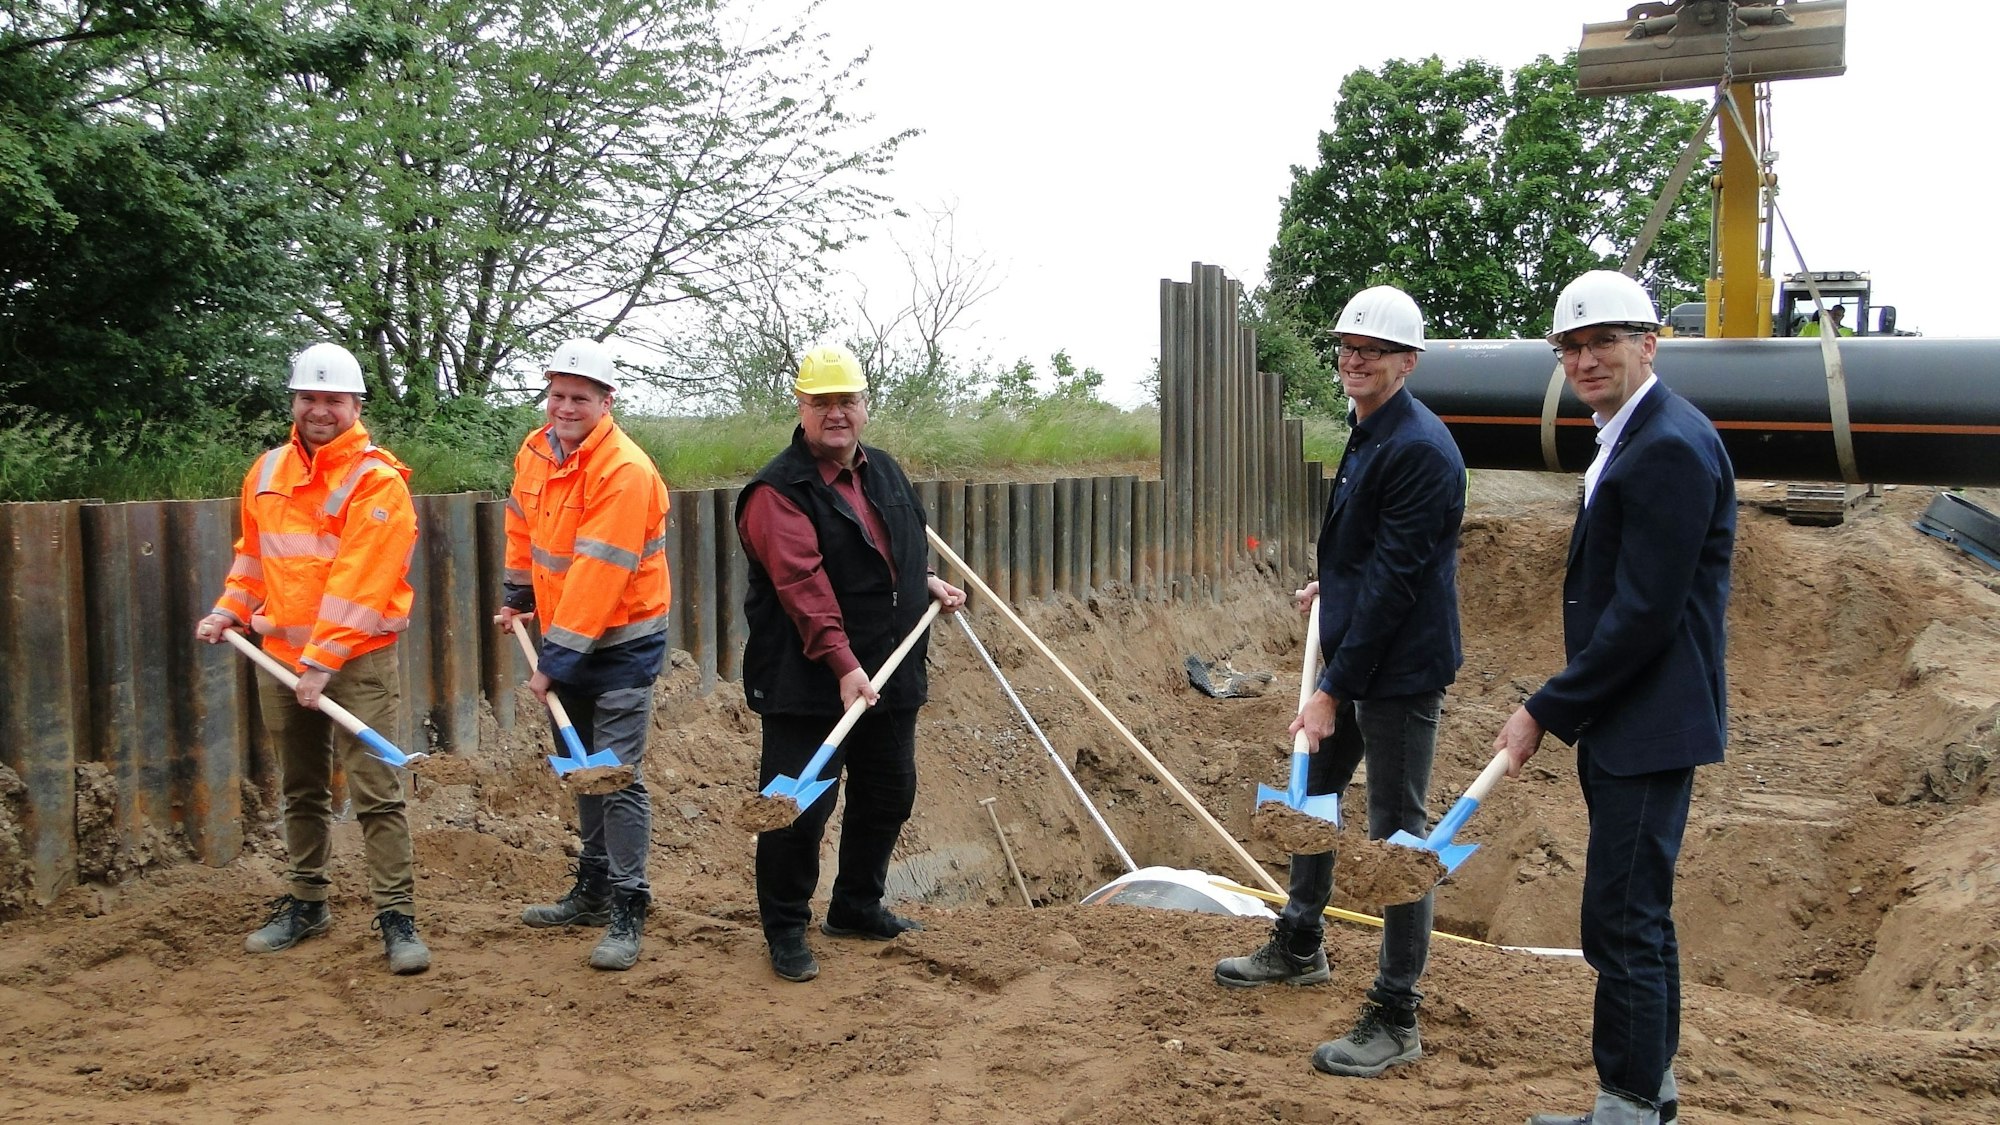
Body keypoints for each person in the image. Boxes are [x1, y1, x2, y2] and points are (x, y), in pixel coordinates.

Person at [1499, 270, 1735, 1125]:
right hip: (1632, 719)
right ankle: (1650, 1093)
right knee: (1640, 915)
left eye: (1604, 342)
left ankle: (1628, 1106)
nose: (1587, 359)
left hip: (1648, 718)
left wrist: (1543, 708)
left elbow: (1644, 616)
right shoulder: (1628, 434)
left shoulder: (1667, 443)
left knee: (1621, 920)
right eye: (1572, 347)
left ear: (1649, 343)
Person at [1212, 285, 1466, 1079]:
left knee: (1398, 833)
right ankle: (1300, 940)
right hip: (1359, 640)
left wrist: (1330, 689)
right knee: (1313, 790)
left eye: (1374, 350)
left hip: (1398, 666)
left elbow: (1397, 582)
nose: (1355, 359)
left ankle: (1396, 1011)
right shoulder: (1369, 430)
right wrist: (1333, 588)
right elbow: (1367, 557)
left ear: (1407, 362)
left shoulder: (1419, 447)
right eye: (1348, 347)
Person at [195, 342, 429, 975]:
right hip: (281, 655)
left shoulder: (376, 480)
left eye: (333, 400)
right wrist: (229, 609)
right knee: (300, 788)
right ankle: (306, 901)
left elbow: (362, 581)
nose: (320, 410)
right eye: (309, 398)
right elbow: (254, 558)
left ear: (356, 405)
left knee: (375, 789)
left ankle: (397, 917)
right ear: (294, 402)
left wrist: (321, 663)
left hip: (354, 661)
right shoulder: (266, 471)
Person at [735, 343, 966, 984]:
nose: (836, 414)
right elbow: (802, 585)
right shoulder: (776, 493)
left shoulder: (884, 471)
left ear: (864, 406)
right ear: (801, 408)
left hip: (888, 667)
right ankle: (785, 929)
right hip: (809, 679)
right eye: (822, 403)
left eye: (847, 401)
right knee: (797, 808)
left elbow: (885, 552)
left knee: (890, 793)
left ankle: (856, 906)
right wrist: (841, 664)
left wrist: (924, 582)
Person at [500, 337, 672, 972]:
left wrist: (553, 664)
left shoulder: (623, 472)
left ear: (606, 401)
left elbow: (600, 577)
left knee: (614, 772)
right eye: (557, 395)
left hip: (623, 642)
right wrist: (517, 594)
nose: (565, 407)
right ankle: (594, 888)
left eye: (580, 397)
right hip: (564, 637)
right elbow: (523, 527)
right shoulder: (537, 451)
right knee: (581, 765)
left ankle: (630, 901)